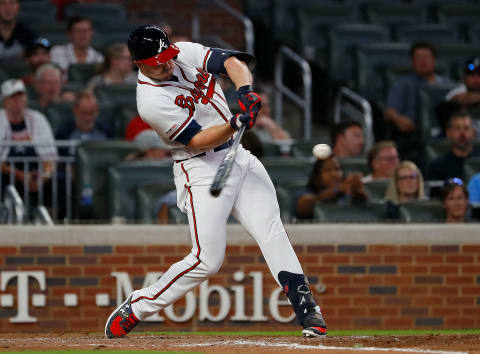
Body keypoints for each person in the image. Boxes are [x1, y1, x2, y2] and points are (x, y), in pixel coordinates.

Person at [104, 25, 327, 339]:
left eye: (166, 55)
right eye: (157, 61)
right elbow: (195, 140)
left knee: (272, 231)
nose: (166, 63)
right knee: (207, 259)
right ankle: (139, 305)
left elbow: (232, 63)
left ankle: (307, 310)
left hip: (239, 157)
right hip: (200, 168)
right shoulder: (150, 101)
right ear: (138, 63)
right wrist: (234, 121)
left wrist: (245, 92)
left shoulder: (182, 53)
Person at [383, 42, 450, 160]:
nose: (423, 61)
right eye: (418, 57)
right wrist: (399, 119)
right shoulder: (402, 84)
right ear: (412, 61)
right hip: (413, 137)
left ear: (433, 59)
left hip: (444, 134)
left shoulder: (446, 84)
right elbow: (389, 112)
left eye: (426, 57)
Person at [0, 78, 57, 199]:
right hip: (7, 172)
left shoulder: (38, 118)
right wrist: (20, 175)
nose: (17, 101)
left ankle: (57, 216)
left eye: (20, 96)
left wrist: (44, 176)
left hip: (35, 172)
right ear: (4, 101)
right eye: (12, 97)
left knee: (59, 179)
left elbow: (50, 157)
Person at [295, 154, 367, 220]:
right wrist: (337, 189)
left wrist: (359, 195)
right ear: (316, 178)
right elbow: (305, 205)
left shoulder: (346, 195)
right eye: (327, 170)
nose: (334, 174)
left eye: (337, 169)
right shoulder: (305, 193)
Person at [426, 110, 480, 181]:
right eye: (457, 128)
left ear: (473, 132)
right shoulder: (437, 167)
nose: (462, 133)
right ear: (448, 133)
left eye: (466, 128)